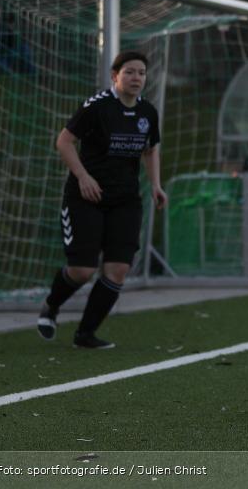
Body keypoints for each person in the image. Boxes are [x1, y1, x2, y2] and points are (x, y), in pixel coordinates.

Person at [37, 51, 167, 348]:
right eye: (130, 72)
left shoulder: (148, 112)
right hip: (86, 196)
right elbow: (64, 141)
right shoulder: (97, 107)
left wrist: (156, 184)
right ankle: (51, 306)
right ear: (115, 76)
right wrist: (83, 176)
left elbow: (150, 149)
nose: (136, 78)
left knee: (118, 269)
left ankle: (85, 334)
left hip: (125, 199)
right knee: (82, 270)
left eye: (141, 73)